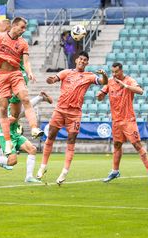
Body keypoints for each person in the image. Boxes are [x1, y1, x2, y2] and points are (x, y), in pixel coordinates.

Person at [0, 17, 44, 156]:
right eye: (22, 27)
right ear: (14, 26)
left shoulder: (23, 43)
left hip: (16, 74)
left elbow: (26, 62)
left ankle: (34, 128)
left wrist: (29, 73)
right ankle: (7, 142)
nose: (24, 30)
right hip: (2, 76)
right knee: (3, 109)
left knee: (25, 98)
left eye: (25, 28)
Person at [37, 52, 108, 185]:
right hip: (60, 110)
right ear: (76, 60)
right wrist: (50, 79)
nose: (82, 61)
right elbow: (53, 79)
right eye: (80, 59)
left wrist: (104, 74)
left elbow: (104, 81)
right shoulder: (66, 72)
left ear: (87, 63)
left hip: (74, 114)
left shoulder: (89, 76)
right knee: (50, 136)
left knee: (71, 140)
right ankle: (43, 166)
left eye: (85, 60)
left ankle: (64, 172)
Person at [97, 62, 148, 186]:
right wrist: (100, 95)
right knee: (117, 145)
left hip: (128, 120)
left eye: (116, 72)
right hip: (116, 121)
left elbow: (140, 91)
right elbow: (100, 97)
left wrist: (126, 86)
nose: (114, 74)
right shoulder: (110, 81)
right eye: (112, 72)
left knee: (137, 145)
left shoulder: (129, 80)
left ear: (121, 71)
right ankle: (115, 171)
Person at [0, 114, 41, 183]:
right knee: (12, 161)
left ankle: (29, 177)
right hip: (5, 135)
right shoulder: (6, 106)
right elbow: (5, 120)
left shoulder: (18, 106)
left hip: (15, 134)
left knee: (32, 149)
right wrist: (18, 116)